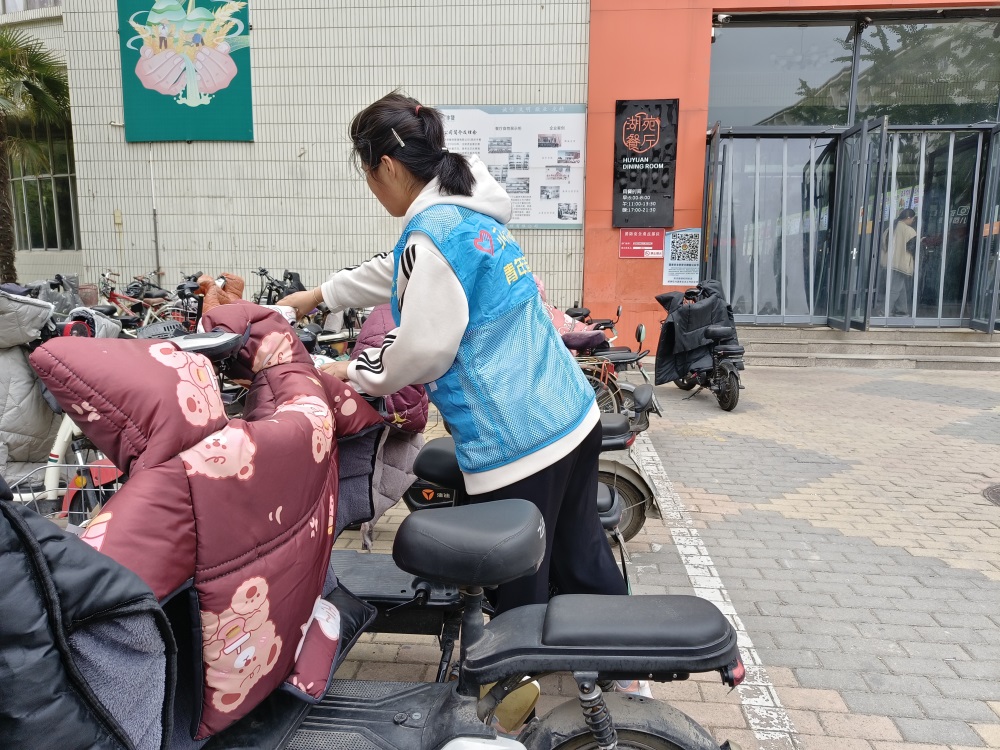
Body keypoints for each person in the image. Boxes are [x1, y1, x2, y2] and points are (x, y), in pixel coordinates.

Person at [280, 92, 627, 615]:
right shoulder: (466, 215)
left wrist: (351, 370)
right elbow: (398, 268)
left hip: (518, 444)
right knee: (581, 561)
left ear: (387, 167)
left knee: (519, 598)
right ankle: (622, 655)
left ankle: (517, 666)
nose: (372, 188)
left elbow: (423, 351)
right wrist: (319, 296)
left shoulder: (433, 235)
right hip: (570, 414)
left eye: (368, 175)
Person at [884, 208, 917, 316]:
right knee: (895, 288)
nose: (913, 221)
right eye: (913, 219)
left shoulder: (890, 227)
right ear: (908, 218)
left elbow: (884, 243)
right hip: (901, 264)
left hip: (889, 262)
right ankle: (885, 311)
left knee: (900, 287)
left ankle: (902, 310)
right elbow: (913, 248)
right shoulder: (909, 231)